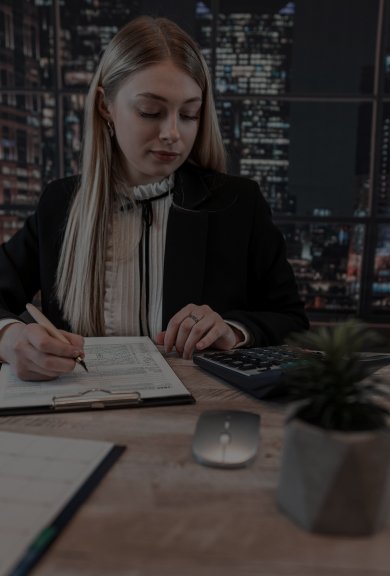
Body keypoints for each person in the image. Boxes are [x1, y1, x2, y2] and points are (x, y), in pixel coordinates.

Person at [0, 16, 309, 381]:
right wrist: (8, 336)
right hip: (80, 412)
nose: (173, 133)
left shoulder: (238, 204)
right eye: (150, 111)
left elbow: (292, 322)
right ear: (105, 106)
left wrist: (232, 329)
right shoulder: (60, 203)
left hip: (195, 416)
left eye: (190, 114)